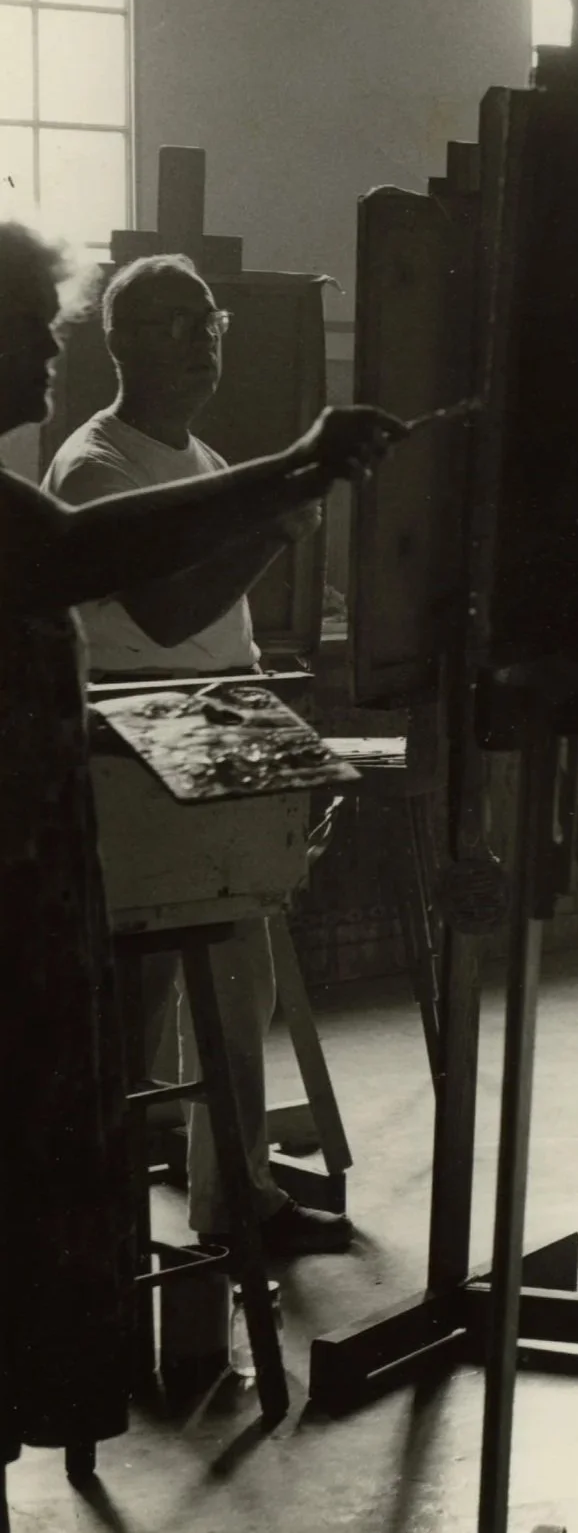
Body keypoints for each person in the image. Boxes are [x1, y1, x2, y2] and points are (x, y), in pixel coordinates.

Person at [0, 219, 401, 1482]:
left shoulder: (162, 456)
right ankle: (119, 1263)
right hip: (115, 775)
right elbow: (123, 575)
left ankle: (219, 1205)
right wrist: (292, 479)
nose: (44, 350)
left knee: (203, 1010)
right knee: (99, 1070)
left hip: (154, 768)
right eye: (29, 327)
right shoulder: (88, 464)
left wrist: (279, 487)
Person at [43, 253, 352, 1256]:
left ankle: (234, 1197)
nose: (201, 339)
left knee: (238, 983)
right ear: (119, 342)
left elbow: (220, 633)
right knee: (136, 1013)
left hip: (212, 726)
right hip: (134, 741)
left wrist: (278, 746)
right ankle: (113, 1226)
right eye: (173, 323)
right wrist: (273, 534)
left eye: (208, 319)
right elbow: (170, 615)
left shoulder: (206, 461)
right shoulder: (100, 464)